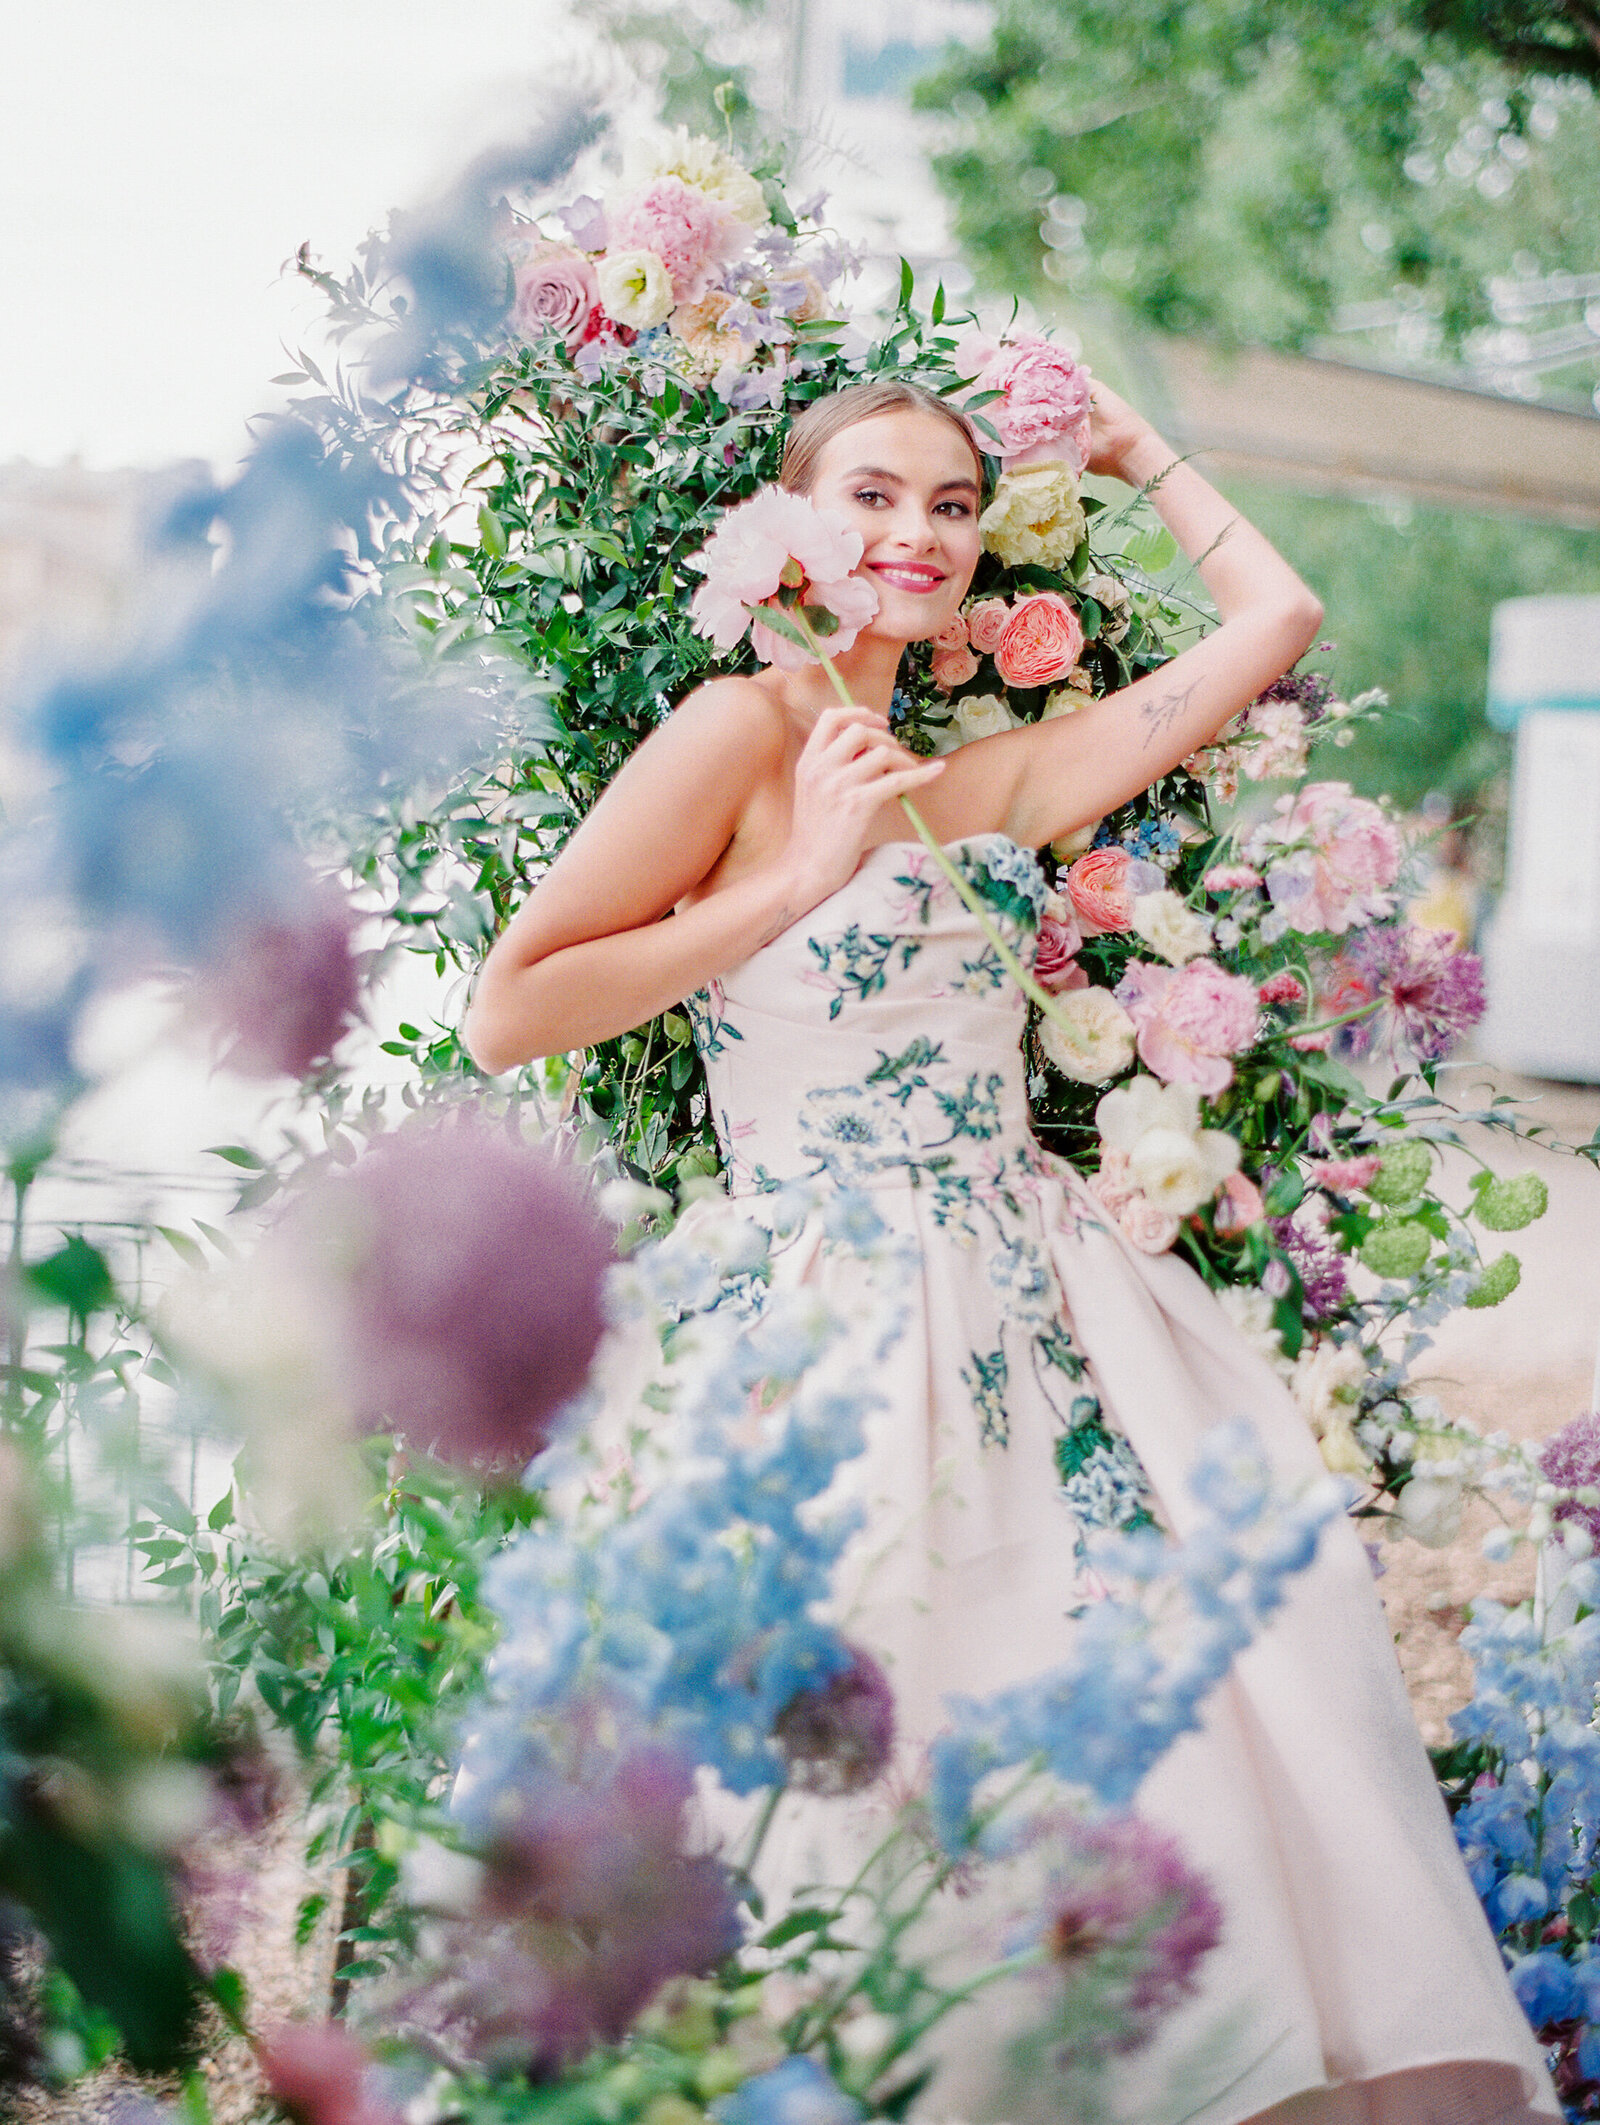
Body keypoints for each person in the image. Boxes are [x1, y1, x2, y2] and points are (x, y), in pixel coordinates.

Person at [465, 378, 1558, 2124]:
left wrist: (1134, 450)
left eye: (956, 503)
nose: (917, 531)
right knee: (850, 1755)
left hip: (1040, 1309)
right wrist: (797, 870)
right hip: (816, 1317)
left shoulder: (987, 781)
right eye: (875, 494)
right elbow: (508, 1010)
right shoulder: (736, 733)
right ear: (789, 522)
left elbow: (1277, 621)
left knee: (1145, 1718)